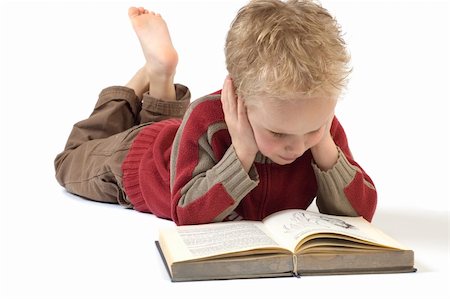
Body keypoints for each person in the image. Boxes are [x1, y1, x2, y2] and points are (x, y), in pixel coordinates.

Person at [54, 1, 377, 226]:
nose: (297, 147)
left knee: (169, 129)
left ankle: (160, 77)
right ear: (238, 97)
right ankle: (144, 81)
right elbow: (187, 212)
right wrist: (242, 153)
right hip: (135, 162)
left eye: (313, 129)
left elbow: (362, 214)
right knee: (69, 162)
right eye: (278, 134)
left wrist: (325, 150)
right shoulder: (207, 119)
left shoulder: (313, 123)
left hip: (177, 143)